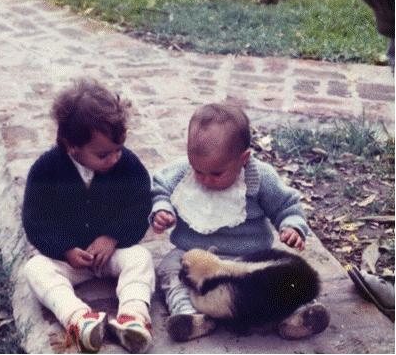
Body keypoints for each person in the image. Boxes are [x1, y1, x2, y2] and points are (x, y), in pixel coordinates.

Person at [150, 103, 329, 341]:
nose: (204, 179)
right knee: (170, 268)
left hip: (248, 257)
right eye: (198, 170)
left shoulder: (260, 177)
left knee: (283, 277)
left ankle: (300, 313)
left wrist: (292, 225)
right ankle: (189, 314)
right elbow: (159, 186)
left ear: (243, 159)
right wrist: (161, 208)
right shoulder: (184, 171)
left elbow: (286, 205)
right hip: (194, 256)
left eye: (216, 174)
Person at [22, 78, 155, 353]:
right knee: (35, 269)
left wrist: (112, 236)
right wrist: (65, 248)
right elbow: (36, 220)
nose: (115, 158)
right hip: (70, 260)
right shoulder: (47, 170)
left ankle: (133, 317)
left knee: (141, 259)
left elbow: (140, 205)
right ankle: (79, 318)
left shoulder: (128, 165)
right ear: (72, 147)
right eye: (104, 154)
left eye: (119, 148)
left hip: (111, 253)